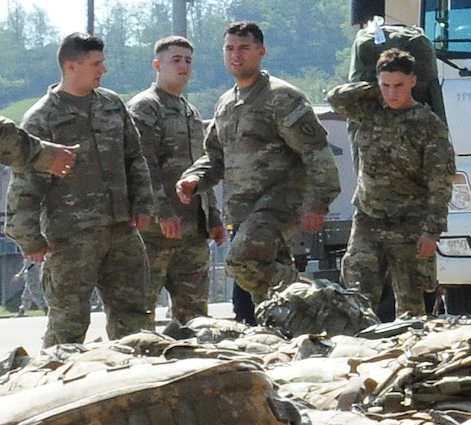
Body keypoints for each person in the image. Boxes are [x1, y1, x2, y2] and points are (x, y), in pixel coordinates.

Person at [178, 21, 343, 314]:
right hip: (242, 210)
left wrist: (318, 203)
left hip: (279, 204)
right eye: (229, 48)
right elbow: (216, 157)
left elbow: (316, 153)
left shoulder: (282, 97)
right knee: (262, 298)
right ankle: (290, 323)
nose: (236, 55)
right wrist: (193, 179)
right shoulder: (226, 103)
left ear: (261, 52)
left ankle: (315, 294)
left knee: (240, 262)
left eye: (244, 48)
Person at [7, 34, 158, 346]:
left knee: (136, 317)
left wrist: (143, 204)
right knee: (68, 324)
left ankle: (134, 386)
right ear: (71, 66)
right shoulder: (42, 117)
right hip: (70, 238)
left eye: (102, 62)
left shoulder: (112, 105)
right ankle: (58, 388)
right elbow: (25, 184)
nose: (103, 70)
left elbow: (134, 158)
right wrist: (29, 238)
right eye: (95, 64)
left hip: (120, 230)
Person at [325, 47, 457, 319]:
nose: (392, 92)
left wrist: (432, 232)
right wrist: (372, 89)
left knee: (411, 307)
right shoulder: (370, 110)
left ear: (413, 82)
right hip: (368, 220)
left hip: (409, 224)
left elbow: (440, 182)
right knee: (357, 299)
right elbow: (335, 99)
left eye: (398, 85)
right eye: (386, 85)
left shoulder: (428, 125)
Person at [129, 35, 225, 332]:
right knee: (138, 312)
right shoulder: (145, 107)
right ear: (158, 65)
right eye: (176, 60)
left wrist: (214, 218)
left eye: (188, 61)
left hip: (192, 232)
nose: (183, 66)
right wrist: (162, 212)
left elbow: (201, 167)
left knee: (194, 317)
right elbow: (143, 164)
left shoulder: (189, 112)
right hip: (155, 233)